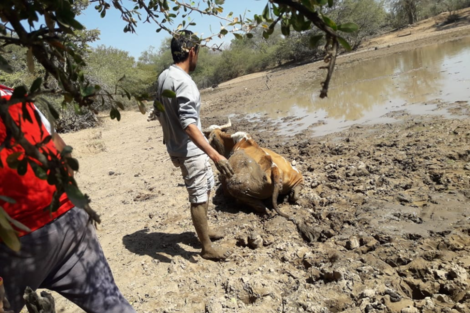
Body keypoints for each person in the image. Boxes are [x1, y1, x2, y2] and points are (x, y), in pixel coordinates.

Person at [0, 84, 136, 313]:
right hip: (69, 218)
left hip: (17, 239)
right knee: (112, 306)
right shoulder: (13, 95)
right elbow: (62, 151)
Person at [155, 30, 234, 261]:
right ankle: (206, 247)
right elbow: (189, 124)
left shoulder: (164, 77)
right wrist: (215, 155)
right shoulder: (184, 83)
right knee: (198, 197)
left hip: (177, 147)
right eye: (198, 52)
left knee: (206, 186)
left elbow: (160, 111)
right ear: (192, 51)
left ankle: (204, 230)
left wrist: (169, 139)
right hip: (190, 150)